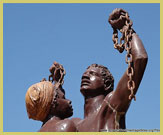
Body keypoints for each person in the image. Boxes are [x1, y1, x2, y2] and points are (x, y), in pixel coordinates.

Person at [76, 8, 148, 132]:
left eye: (92, 74)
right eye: (85, 74)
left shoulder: (111, 105)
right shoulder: (75, 124)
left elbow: (140, 59)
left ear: (107, 84)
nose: (85, 76)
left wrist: (126, 29)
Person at [25, 62, 77, 132]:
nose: (69, 101)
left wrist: (56, 80)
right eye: (63, 97)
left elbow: (54, 95)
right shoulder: (65, 126)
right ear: (53, 102)